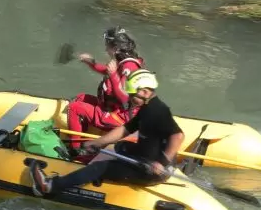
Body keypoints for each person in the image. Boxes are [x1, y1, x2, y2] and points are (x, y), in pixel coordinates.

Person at [29, 69, 185, 196]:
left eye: (132, 95)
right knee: (119, 147)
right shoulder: (147, 108)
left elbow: (178, 136)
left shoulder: (157, 111)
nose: (130, 99)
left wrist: (161, 163)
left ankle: (49, 186)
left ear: (144, 92)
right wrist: (97, 143)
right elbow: (126, 129)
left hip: (151, 169)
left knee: (99, 167)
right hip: (143, 156)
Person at [67, 26, 145, 151]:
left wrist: (113, 75)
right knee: (81, 97)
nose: (105, 49)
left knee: (74, 107)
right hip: (115, 109)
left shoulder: (129, 66)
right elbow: (105, 70)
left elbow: (125, 98)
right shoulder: (124, 61)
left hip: (122, 118)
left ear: (115, 47)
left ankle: (74, 150)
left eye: (107, 45)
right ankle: (82, 138)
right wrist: (90, 62)